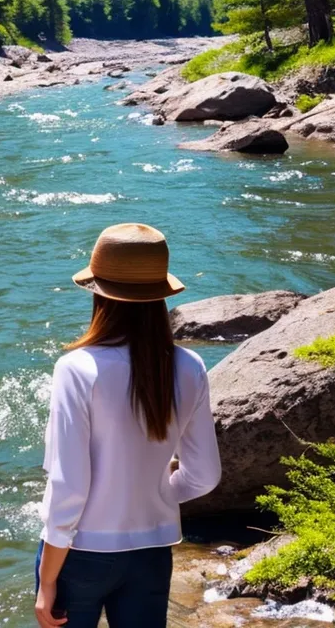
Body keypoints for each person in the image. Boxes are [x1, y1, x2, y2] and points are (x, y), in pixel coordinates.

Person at [35, 223, 221, 628]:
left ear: (98, 292)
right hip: (153, 552)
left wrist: (47, 579)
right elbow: (205, 477)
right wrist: (155, 493)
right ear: (160, 296)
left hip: (81, 555)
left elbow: (69, 488)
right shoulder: (190, 367)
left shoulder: (76, 368)